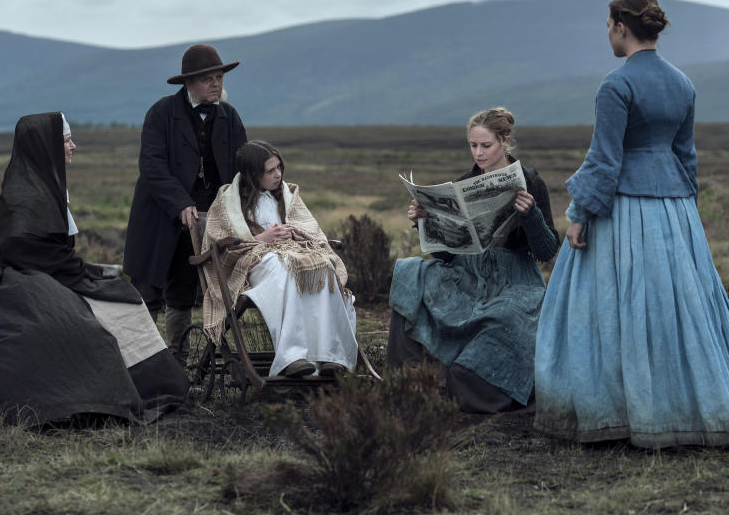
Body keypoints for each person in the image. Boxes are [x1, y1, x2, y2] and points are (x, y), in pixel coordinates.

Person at [533, 0, 729, 448]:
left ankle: (618, 412)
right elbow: (685, 156)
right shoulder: (682, 84)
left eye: (609, 25)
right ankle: (695, 407)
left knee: (615, 308)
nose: (608, 33)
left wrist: (578, 216)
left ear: (621, 27)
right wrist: (685, 215)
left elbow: (604, 158)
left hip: (623, 211)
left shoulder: (616, 86)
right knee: (677, 308)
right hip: (673, 210)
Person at [0, 113, 189, 426]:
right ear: (47, 147)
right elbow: (26, 251)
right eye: (66, 141)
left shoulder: (48, 187)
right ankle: (93, 403)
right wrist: (80, 274)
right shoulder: (26, 196)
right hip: (17, 284)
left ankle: (152, 388)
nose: (73, 146)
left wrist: (82, 273)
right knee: (81, 327)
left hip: (47, 276)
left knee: (124, 300)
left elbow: (52, 255)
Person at [387, 107, 560, 412]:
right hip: (467, 273)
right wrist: (425, 222)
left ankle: (465, 386)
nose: (478, 153)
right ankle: (410, 380)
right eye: (473, 145)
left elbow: (547, 252)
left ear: (505, 142)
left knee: (506, 317)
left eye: (486, 145)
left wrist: (530, 215)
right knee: (411, 272)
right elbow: (446, 253)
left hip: (513, 277)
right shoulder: (464, 183)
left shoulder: (530, 181)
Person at [123, 44, 248, 358]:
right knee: (148, 291)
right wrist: (180, 203)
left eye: (219, 77)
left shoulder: (229, 116)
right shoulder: (162, 113)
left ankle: (178, 360)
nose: (216, 84)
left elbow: (240, 166)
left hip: (209, 216)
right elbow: (152, 166)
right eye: (207, 79)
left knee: (183, 290)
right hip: (160, 214)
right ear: (188, 83)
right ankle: (143, 361)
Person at [200, 141, 358, 377]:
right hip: (253, 262)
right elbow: (219, 242)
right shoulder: (228, 201)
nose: (278, 174)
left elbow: (308, 227)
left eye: (279, 168)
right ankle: (293, 357)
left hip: (291, 253)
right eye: (270, 171)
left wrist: (293, 233)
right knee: (284, 268)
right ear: (253, 174)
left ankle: (330, 356)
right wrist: (262, 238)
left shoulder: (286, 195)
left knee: (322, 267)